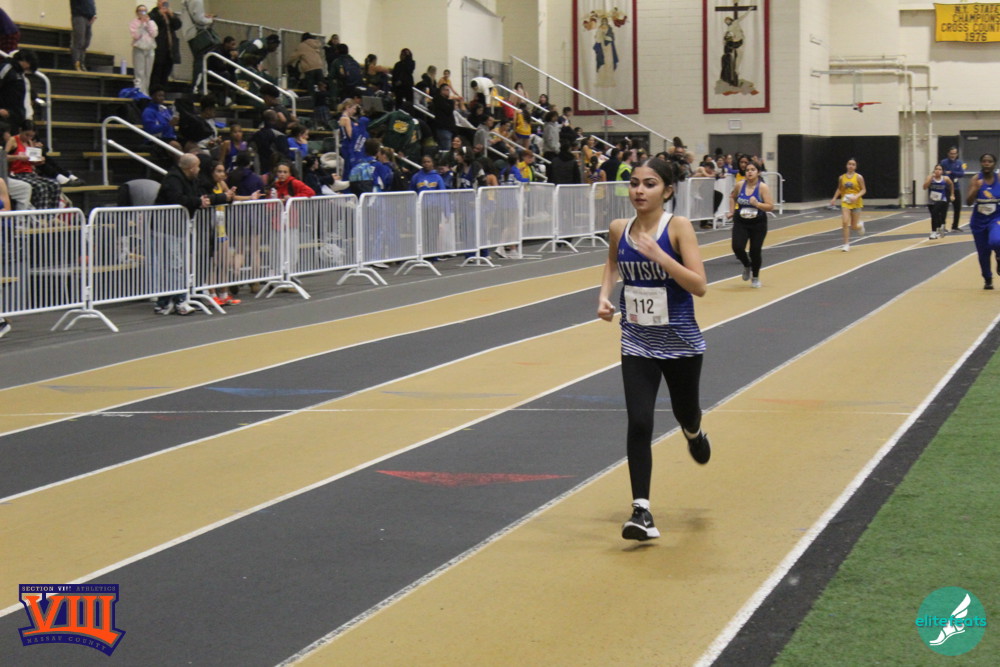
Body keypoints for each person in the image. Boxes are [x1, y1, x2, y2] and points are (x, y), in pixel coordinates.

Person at [596, 156, 710, 542]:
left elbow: (699, 285)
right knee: (640, 421)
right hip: (637, 341)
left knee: (685, 412)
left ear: (668, 190)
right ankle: (641, 511)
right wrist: (604, 297)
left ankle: (694, 432)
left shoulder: (678, 228)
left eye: (649, 184)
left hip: (680, 343)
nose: (639, 191)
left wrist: (661, 257)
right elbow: (612, 264)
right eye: (634, 184)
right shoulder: (619, 228)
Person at [154, 153, 215, 315]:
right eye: (198, 166)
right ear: (191, 168)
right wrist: (198, 202)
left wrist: (201, 200)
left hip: (177, 227)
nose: (199, 169)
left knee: (174, 265)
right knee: (175, 265)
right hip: (166, 228)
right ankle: (178, 301)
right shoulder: (173, 179)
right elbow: (178, 198)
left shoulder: (190, 180)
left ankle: (165, 302)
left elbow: (192, 196)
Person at [728, 161, 773, 287]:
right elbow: (732, 197)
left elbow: (770, 206)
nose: (749, 172)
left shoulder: (762, 187)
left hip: (758, 223)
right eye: (747, 170)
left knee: (755, 250)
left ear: (758, 172)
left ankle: (756, 277)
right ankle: (747, 265)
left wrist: (757, 204)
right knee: (737, 247)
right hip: (741, 221)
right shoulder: (740, 185)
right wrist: (732, 211)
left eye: (753, 169)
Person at [6, 120, 62, 209]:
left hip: (30, 173)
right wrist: (17, 157)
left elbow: (31, 160)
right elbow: (3, 156)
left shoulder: (30, 142)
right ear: (20, 130)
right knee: (41, 187)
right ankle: (40, 213)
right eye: (26, 135)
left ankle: (51, 213)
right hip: (17, 174)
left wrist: (39, 160)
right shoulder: (13, 140)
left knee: (55, 185)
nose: (28, 138)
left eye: (31, 136)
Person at [964, 153, 1000, 290]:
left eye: (989, 161)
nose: (986, 163)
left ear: (994, 164)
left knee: (996, 240)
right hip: (979, 221)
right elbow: (968, 202)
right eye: (984, 161)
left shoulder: (999, 178)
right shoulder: (976, 179)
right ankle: (987, 278)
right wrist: (975, 189)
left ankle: (999, 257)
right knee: (983, 252)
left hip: (996, 218)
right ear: (981, 163)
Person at [829, 158, 866, 252]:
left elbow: (864, 190)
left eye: (853, 164)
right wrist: (834, 198)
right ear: (846, 165)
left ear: (855, 167)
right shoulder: (842, 178)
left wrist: (856, 196)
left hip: (856, 203)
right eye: (849, 164)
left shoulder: (859, 177)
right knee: (845, 222)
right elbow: (840, 189)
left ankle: (860, 225)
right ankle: (846, 244)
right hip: (845, 202)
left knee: (854, 226)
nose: (851, 166)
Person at [0, 49, 38, 133]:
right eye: (29, 64)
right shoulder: (6, 69)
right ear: (24, 60)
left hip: (16, 116)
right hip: (6, 116)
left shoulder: (20, 74)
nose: (28, 68)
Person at [149, 0, 181, 87]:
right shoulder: (153, 13)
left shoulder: (170, 14)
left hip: (170, 47)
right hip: (159, 46)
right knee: (157, 69)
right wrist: (160, 14)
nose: (164, 4)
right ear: (158, 2)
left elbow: (178, 25)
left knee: (167, 69)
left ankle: (163, 89)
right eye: (162, 2)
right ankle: (155, 89)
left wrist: (171, 15)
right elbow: (152, 23)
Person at [130, 5, 158, 95]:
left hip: (150, 49)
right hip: (139, 48)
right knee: (139, 72)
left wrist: (148, 23)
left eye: (144, 11)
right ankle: (138, 92)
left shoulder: (152, 22)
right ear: (137, 13)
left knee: (148, 73)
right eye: (140, 11)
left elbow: (154, 34)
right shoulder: (134, 22)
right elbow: (135, 36)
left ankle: (146, 92)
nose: (142, 13)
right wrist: (141, 25)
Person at [923, 164, 954, 240]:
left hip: (942, 200)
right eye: (936, 169)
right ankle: (941, 227)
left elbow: (951, 184)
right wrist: (930, 179)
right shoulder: (930, 177)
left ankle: (933, 232)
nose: (938, 171)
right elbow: (924, 187)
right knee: (935, 216)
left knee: (935, 213)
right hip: (932, 200)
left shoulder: (945, 178)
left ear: (942, 171)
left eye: (940, 169)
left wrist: (952, 194)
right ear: (934, 170)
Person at [940, 146, 965, 232]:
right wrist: (947, 173)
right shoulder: (943, 162)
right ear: (948, 154)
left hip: (956, 188)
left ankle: (955, 226)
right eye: (951, 153)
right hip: (946, 188)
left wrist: (951, 172)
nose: (953, 155)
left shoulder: (959, 163)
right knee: (944, 208)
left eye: (954, 153)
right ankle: (942, 226)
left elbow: (961, 173)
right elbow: (941, 172)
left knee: (957, 207)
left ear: (957, 154)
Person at [70, 0, 97, 72]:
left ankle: (82, 62)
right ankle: (76, 62)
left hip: (88, 17)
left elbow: (91, 3)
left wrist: (94, 14)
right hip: (79, 16)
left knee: (86, 41)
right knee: (79, 41)